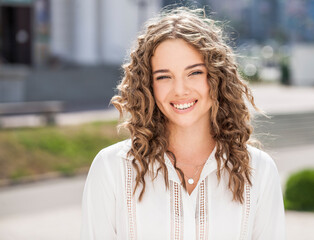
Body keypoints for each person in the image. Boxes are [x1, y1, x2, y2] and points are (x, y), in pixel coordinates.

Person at [81, 7, 285, 240]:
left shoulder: (259, 171)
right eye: (164, 76)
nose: (180, 90)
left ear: (217, 77)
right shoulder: (111, 169)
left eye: (194, 73)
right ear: (148, 85)